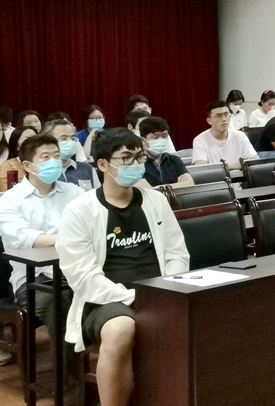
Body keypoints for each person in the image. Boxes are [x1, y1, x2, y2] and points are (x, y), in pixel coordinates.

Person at [56, 128, 190, 406]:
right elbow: (83, 278)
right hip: (104, 300)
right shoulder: (79, 210)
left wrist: (167, 291)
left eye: (139, 157)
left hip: (161, 293)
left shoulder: (156, 200)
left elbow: (177, 253)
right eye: (126, 158)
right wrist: (134, 297)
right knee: (121, 328)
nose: (135, 164)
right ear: (103, 164)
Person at [0, 133, 85, 397]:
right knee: (62, 304)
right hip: (34, 280)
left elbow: (93, 224)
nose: (54, 162)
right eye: (45, 157)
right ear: (27, 165)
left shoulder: (74, 192)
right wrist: (68, 239)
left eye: (56, 156)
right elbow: (25, 238)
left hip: (77, 271)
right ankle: (72, 388)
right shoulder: (10, 201)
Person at [192, 100, 258, 169]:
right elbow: (201, 169)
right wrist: (235, 165)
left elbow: (256, 162)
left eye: (226, 115)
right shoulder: (200, 140)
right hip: (217, 176)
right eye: (218, 116)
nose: (224, 119)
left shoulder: (240, 136)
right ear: (209, 121)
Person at [41, 119, 101, 190]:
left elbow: (97, 195)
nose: (70, 142)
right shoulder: (43, 172)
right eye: (64, 138)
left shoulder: (87, 169)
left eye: (72, 138)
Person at [137, 117, 194, 188]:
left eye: (164, 136)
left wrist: (157, 188)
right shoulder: (137, 163)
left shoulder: (174, 160)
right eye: (155, 137)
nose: (161, 140)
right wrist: (178, 185)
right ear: (143, 141)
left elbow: (190, 183)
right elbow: (146, 189)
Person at [0, 127, 37, 191]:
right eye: (27, 138)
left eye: (35, 138)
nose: (33, 142)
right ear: (17, 146)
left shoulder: (45, 162)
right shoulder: (8, 167)